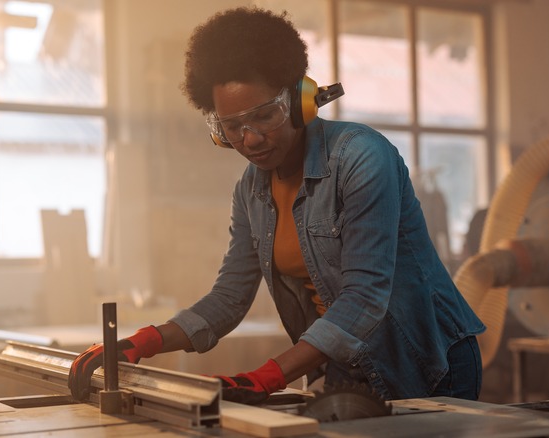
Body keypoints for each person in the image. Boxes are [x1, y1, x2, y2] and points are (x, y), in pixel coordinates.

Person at [69, 6, 485, 406]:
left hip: (425, 359)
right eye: (232, 126)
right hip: (343, 364)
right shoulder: (250, 191)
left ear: (300, 101)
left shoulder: (361, 157)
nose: (249, 140)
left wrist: (266, 378)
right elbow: (230, 297)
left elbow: (365, 296)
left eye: (265, 115)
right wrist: (145, 341)